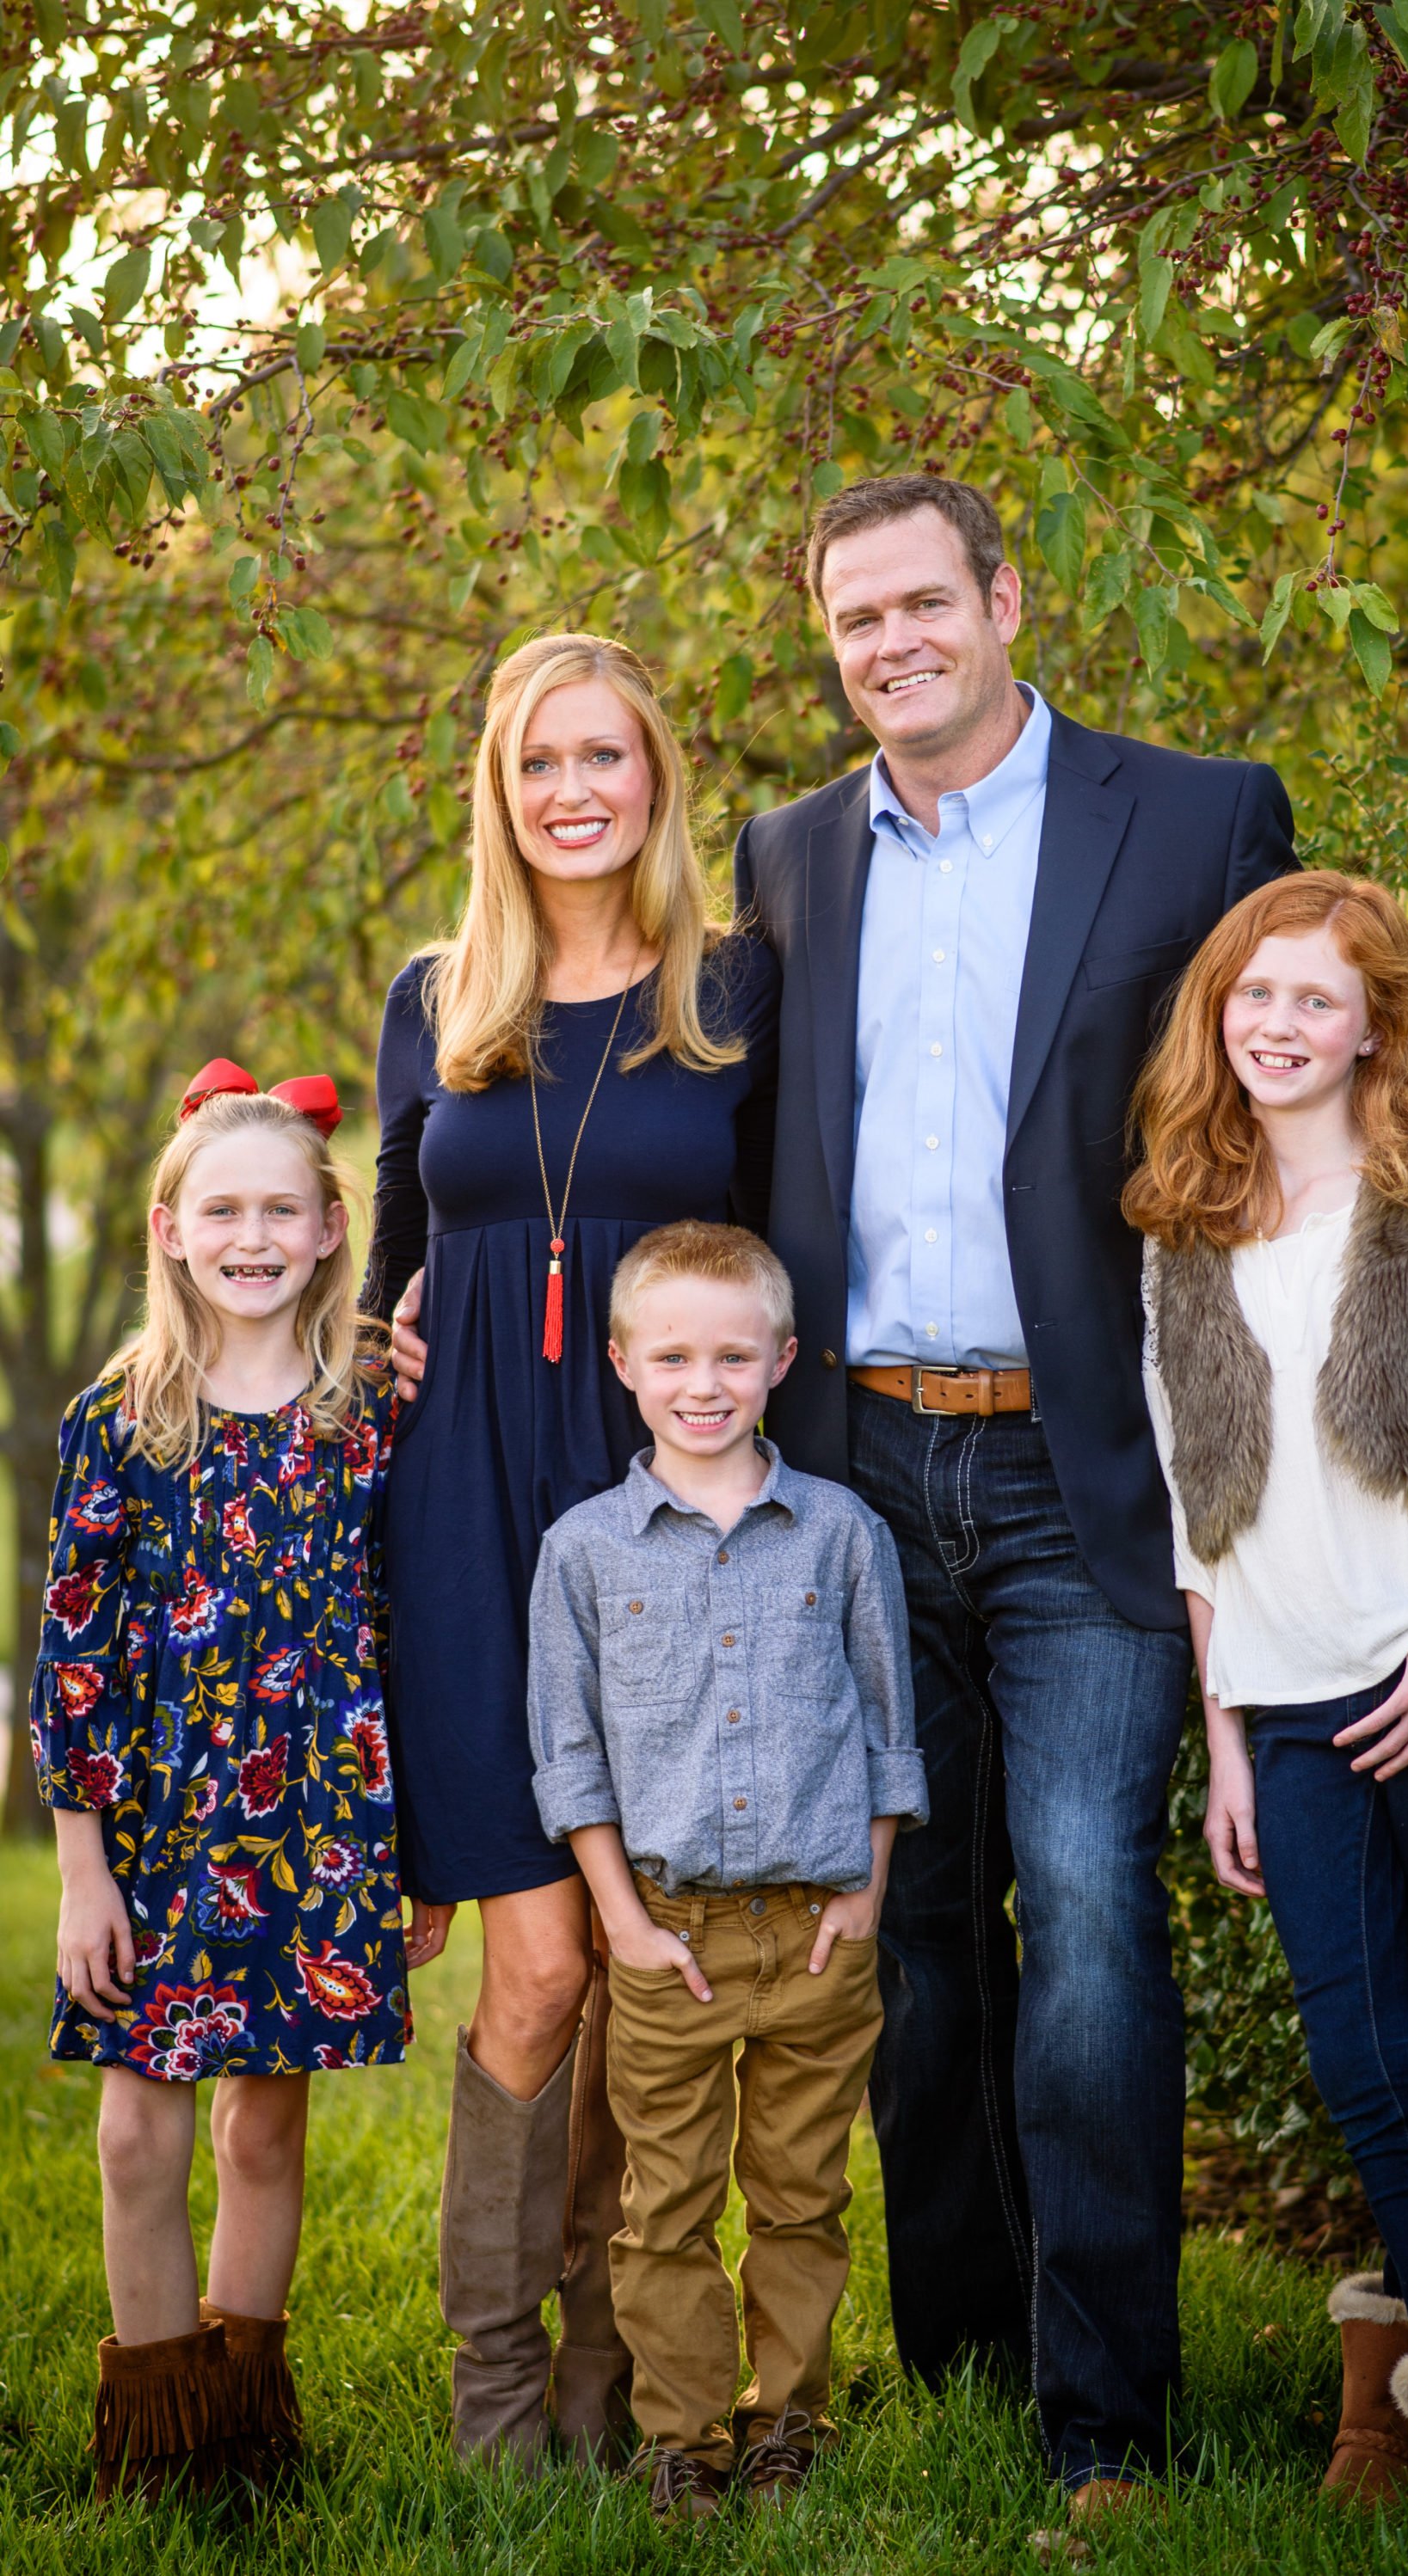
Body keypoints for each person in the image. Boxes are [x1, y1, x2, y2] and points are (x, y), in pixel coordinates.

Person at [730, 474, 1296, 2509]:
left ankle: (1105, 2409)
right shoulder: (787, 854)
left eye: (918, 604)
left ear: (1002, 596)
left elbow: (1284, 1115)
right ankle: (961, 2351)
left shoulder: (1198, 814)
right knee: (919, 1935)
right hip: (860, 1460)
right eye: (851, 621)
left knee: (1085, 1913)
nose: (889, 646)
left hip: (1090, 1465)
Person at [1128, 871, 1408, 2523]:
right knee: (1367, 2047)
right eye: (1256, 996)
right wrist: (1226, 1745)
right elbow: (1196, 1515)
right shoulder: (1182, 1233)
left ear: (1374, 1027)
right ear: (1220, 1016)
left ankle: (1381, 2411)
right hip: (1290, 1707)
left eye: (1317, 1000)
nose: (1281, 1025)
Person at [368, 633, 778, 2465]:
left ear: (656, 779)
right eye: (540, 761)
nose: (573, 791)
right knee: (535, 1966)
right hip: (459, 1509)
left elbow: (780, 1273)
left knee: (646, 1964)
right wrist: (373, 1329)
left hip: (659, 1516)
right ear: (500, 787)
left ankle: (623, 2383)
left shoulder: (737, 996)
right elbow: (381, 1251)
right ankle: (499, 2401)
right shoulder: (435, 995)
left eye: (604, 755)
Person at [34, 1066, 415, 2504]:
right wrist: (83, 1870)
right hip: (153, 1833)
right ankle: (156, 2436)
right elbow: (69, 1660)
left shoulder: (367, 1415)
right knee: (137, 2126)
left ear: (329, 1230)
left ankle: (246, 2423)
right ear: (170, 1229)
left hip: (313, 1824)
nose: (251, 1236)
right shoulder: (118, 1420)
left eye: (282, 1210)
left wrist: (411, 1856)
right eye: (223, 1210)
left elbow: (402, 1622)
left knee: (265, 2117)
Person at [526, 1220, 925, 2523]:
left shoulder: (842, 1533)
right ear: (624, 1364)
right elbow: (569, 1753)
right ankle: (683, 2438)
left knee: (804, 2196)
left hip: (816, 1931)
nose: (705, 1384)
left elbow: (888, 1728)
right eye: (676, 1356)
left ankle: (787, 2425)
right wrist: (623, 1924)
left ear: (783, 1363)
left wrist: (865, 1892)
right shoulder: (586, 1550)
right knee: (666, 2206)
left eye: (734, 1358)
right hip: (670, 1943)